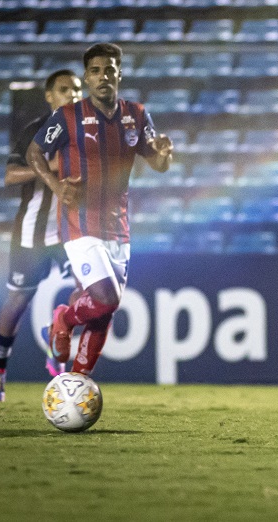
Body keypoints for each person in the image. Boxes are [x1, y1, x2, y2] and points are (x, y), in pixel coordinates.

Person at [29, 42, 173, 377]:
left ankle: (78, 380)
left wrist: (164, 155)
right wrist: (56, 186)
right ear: (87, 77)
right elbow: (35, 154)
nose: (103, 76)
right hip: (79, 224)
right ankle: (62, 319)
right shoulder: (67, 116)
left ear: (119, 73)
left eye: (109, 69)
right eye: (95, 71)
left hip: (118, 228)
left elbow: (157, 163)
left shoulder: (137, 114)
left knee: (104, 310)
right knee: (106, 297)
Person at [0, 69, 82, 402]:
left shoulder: (89, 132)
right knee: (17, 300)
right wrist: (51, 168)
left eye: (77, 89)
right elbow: (10, 175)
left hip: (72, 232)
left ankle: (59, 331)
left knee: (91, 290)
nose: (73, 94)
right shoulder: (35, 131)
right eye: (65, 89)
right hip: (33, 233)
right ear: (49, 96)